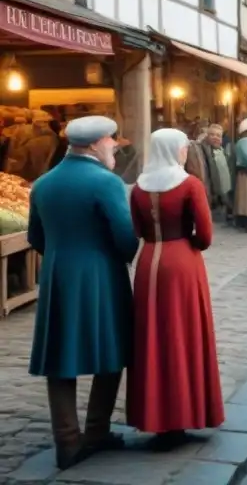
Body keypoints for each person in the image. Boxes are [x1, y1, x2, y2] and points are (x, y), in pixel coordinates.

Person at [28, 116, 138, 469]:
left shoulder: (43, 184)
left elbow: (35, 238)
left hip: (58, 276)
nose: (115, 150)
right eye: (111, 143)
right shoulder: (106, 182)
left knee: (59, 357)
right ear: (94, 144)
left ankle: (67, 441)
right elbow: (125, 237)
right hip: (101, 276)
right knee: (112, 348)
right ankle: (95, 430)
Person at [127, 129, 224, 446]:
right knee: (183, 335)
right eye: (183, 148)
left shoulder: (139, 188)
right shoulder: (189, 184)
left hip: (148, 261)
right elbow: (206, 235)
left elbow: (138, 229)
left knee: (151, 337)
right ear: (175, 150)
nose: (185, 153)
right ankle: (184, 411)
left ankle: (156, 417)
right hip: (182, 262)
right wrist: (189, 244)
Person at [200, 124, 233, 221]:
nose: (215, 137)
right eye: (212, 134)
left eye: (218, 135)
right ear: (207, 136)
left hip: (225, 188)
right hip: (215, 191)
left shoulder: (222, 150)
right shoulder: (205, 152)